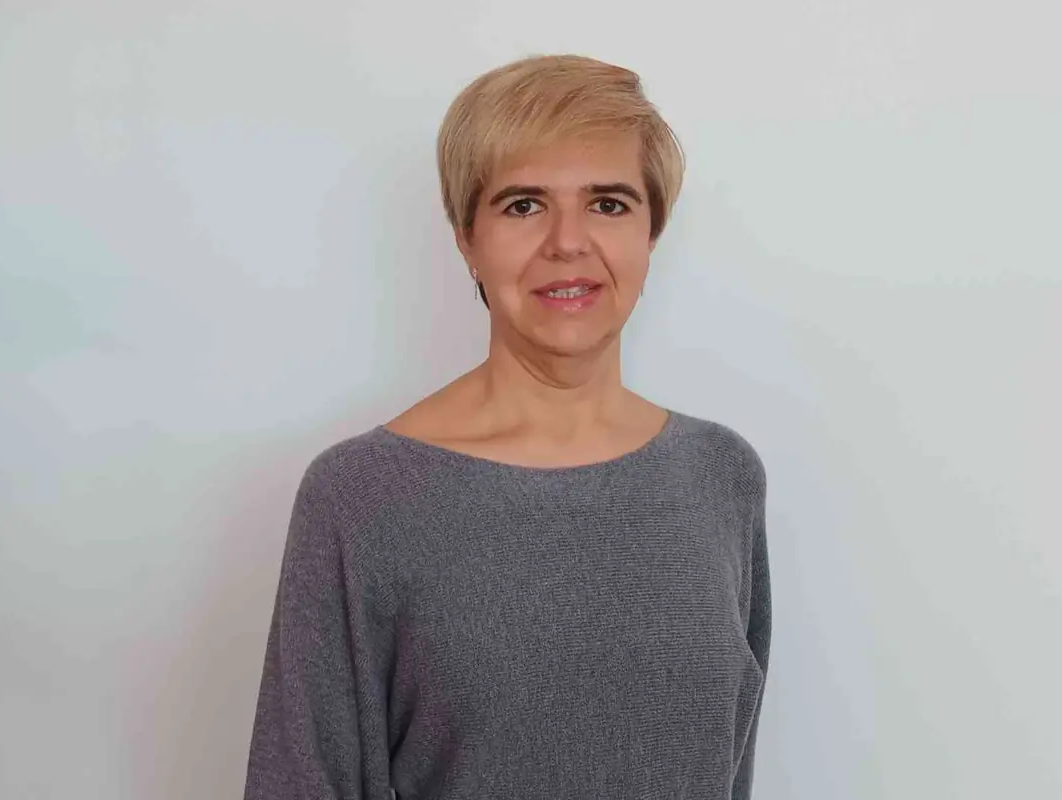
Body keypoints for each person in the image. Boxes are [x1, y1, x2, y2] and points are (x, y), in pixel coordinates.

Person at [242, 54, 772, 800]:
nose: (567, 241)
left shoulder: (721, 478)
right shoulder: (362, 498)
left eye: (609, 203)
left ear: (653, 231)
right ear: (466, 236)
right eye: (523, 204)